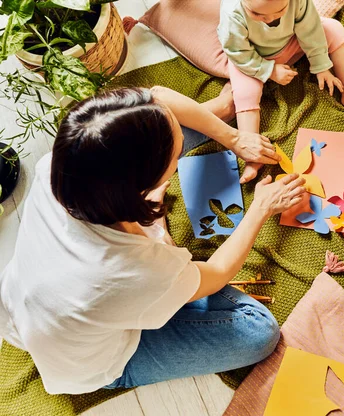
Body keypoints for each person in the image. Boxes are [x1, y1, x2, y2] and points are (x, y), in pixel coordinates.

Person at [0, 86, 306, 394]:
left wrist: (234, 136)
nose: (180, 151)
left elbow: (157, 96)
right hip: (93, 361)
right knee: (258, 333)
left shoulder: (57, 164)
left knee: (158, 128)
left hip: (29, 307)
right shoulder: (133, 269)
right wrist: (261, 209)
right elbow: (216, 275)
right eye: (176, 157)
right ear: (136, 190)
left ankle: (202, 121)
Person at [218, 0, 344, 184]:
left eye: (280, 11)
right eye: (257, 15)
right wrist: (270, 70)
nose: (269, 19)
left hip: (290, 43)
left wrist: (321, 66)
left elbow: (310, 28)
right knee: (244, 93)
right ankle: (253, 153)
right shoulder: (232, 13)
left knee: (333, 28)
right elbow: (238, 52)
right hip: (253, 58)